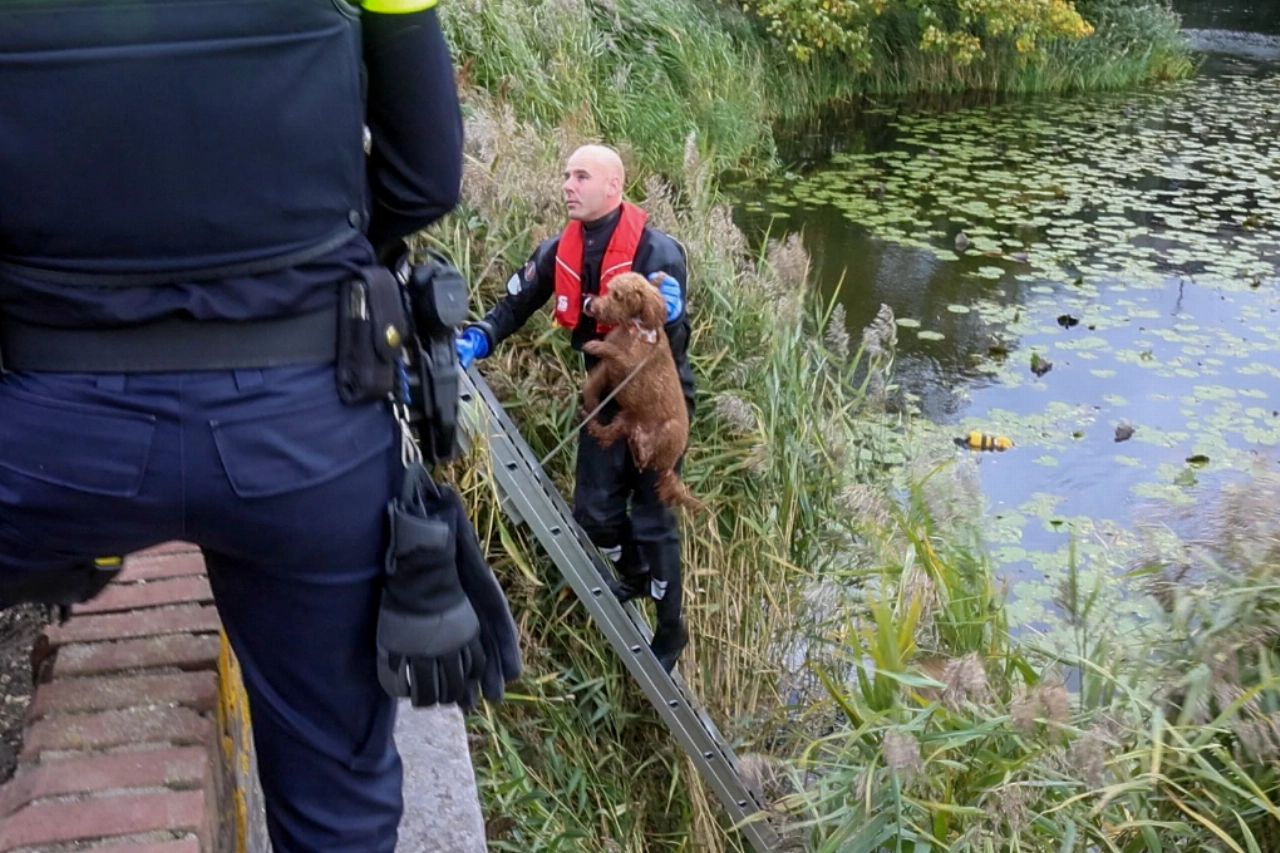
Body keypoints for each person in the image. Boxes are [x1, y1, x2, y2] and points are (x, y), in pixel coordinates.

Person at [0, 2, 514, 851]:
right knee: (337, 802)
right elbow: (427, 176)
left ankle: (82, 551)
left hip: (51, 434)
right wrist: (317, 264)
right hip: (303, 433)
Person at [456, 145, 695, 672]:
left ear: (613, 186)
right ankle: (633, 573)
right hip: (607, 392)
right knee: (593, 514)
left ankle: (671, 628)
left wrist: (672, 316)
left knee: (654, 516)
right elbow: (515, 304)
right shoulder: (555, 251)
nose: (567, 184)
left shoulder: (658, 252)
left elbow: (675, 339)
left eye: (580, 175)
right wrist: (479, 337)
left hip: (661, 397)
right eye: (565, 174)